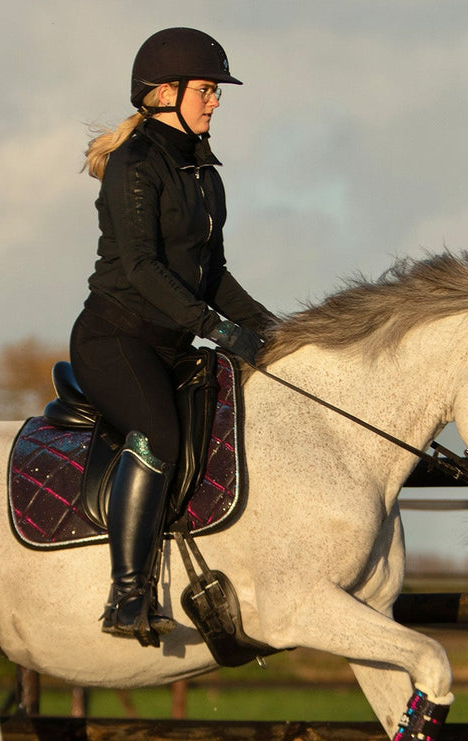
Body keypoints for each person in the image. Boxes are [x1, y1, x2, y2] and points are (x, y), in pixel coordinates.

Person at [71, 26, 276, 644]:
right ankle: (127, 595)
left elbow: (211, 273)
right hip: (115, 338)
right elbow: (142, 268)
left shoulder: (204, 173)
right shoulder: (134, 166)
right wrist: (215, 330)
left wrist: (275, 331)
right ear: (165, 93)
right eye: (207, 90)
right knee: (158, 433)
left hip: (173, 342)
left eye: (217, 92)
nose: (216, 101)